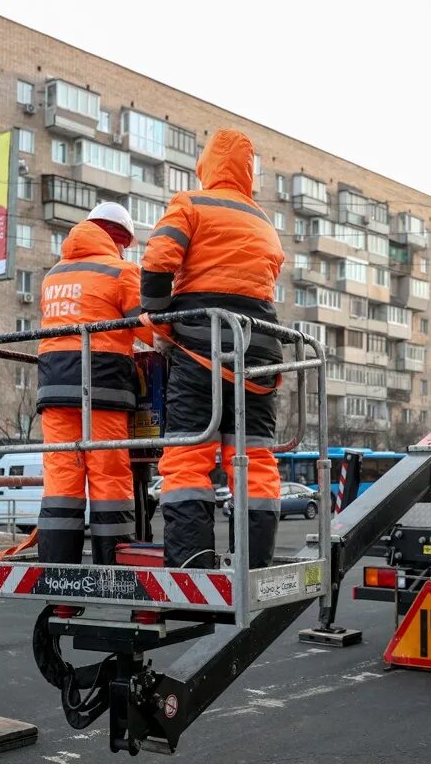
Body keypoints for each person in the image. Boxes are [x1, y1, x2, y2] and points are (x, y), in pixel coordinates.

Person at [140, 128, 285, 569]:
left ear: (205, 165)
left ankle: (192, 566)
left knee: (187, 459)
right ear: (247, 171)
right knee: (254, 460)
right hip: (259, 353)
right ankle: (253, 563)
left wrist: (159, 317)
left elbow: (158, 259)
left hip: (201, 348)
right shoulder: (263, 220)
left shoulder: (190, 205)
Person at [36, 202, 151, 564]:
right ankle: (112, 568)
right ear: (118, 238)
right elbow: (147, 328)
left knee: (61, 481)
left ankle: (57, 568)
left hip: (54, 388)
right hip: (103, 388)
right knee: (109, 476)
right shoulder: (120, 271)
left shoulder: (53, 275)